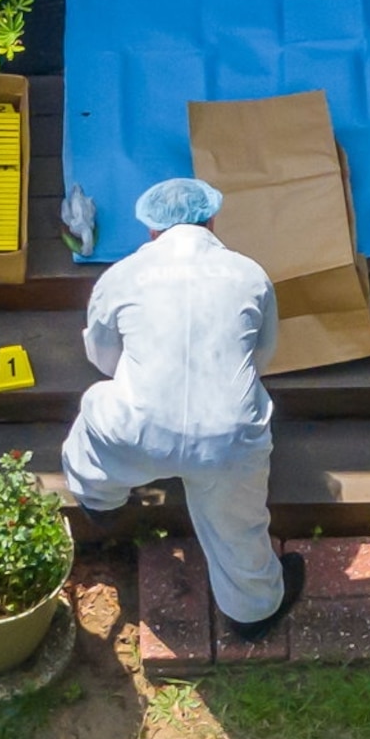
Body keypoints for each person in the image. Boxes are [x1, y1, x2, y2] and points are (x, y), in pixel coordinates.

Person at [60, 178, 305, 640]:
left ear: (151, 231)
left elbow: (103, 358)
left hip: (136, 432)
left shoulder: (120, 277)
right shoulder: (250, 274)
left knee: (94, 422)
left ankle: (101, 503)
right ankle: (253, 613)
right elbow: (261, 356)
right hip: (227, 438)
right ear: (211, 220)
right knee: (238, 526)